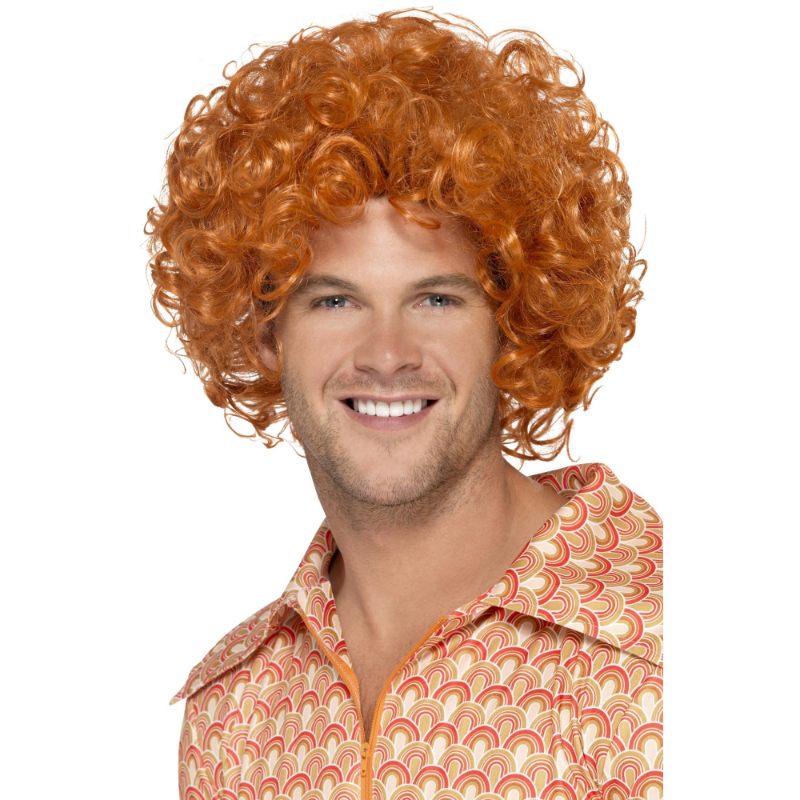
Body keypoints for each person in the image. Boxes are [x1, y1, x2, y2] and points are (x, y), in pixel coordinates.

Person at [145, 8, 663, 799]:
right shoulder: (233, 712)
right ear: (266, 336)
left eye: (436, 300)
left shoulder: (667, 646)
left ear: (517, 324)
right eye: (335, 301)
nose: (387, 355)